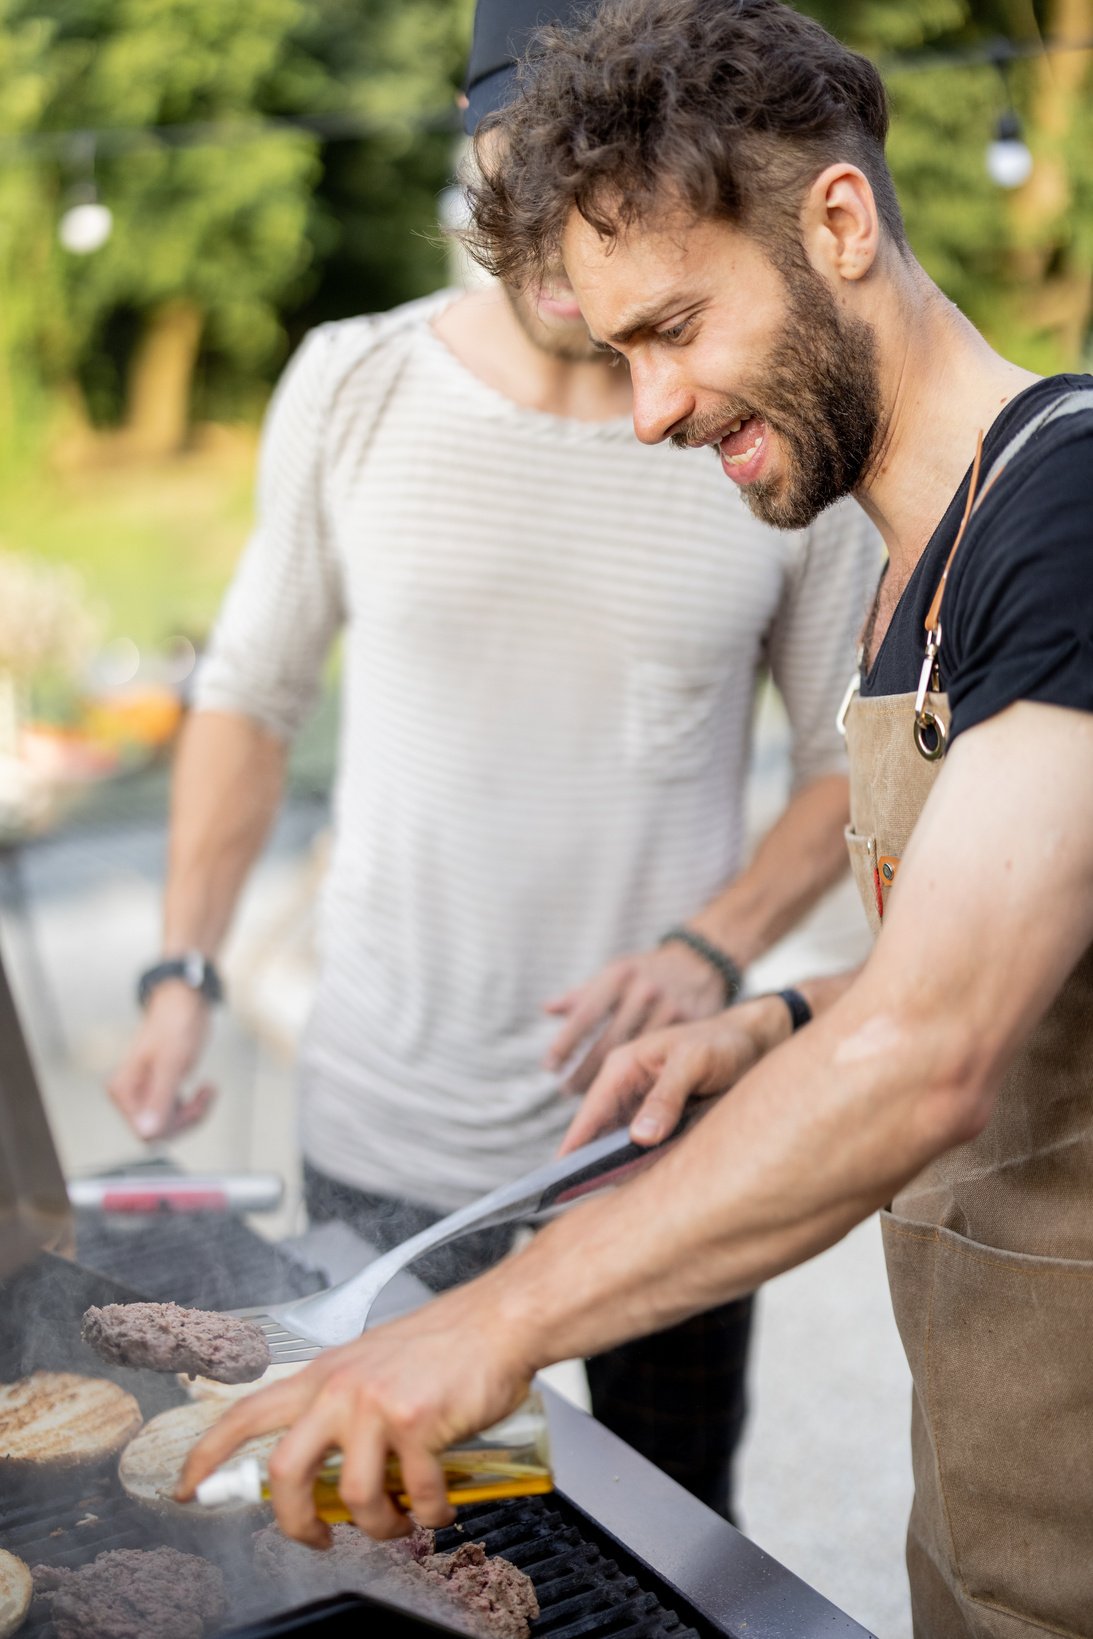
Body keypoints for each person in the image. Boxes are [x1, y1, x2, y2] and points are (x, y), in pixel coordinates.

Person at [180, 2, 1093, 1631]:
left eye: (671, 328)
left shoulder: (1071, 516)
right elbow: (1003, 965)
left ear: (838, 219)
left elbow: (935, 1051)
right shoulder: (916, 579)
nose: (648, 411)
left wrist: (493, 1325)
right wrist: (777, 1016)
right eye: (617, 353)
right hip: (996, 1525)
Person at [112, 0, 879, 1524]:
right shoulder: (353, 381)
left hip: (654, 1149)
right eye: (509, 187)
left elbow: (852, 762)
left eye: (579, 196)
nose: (545, 252)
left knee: (663, 1532)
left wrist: (710, 945)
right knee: (388, 1538)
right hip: (384, 1128)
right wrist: (182, 971)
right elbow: (250, 699)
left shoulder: (753, 422)